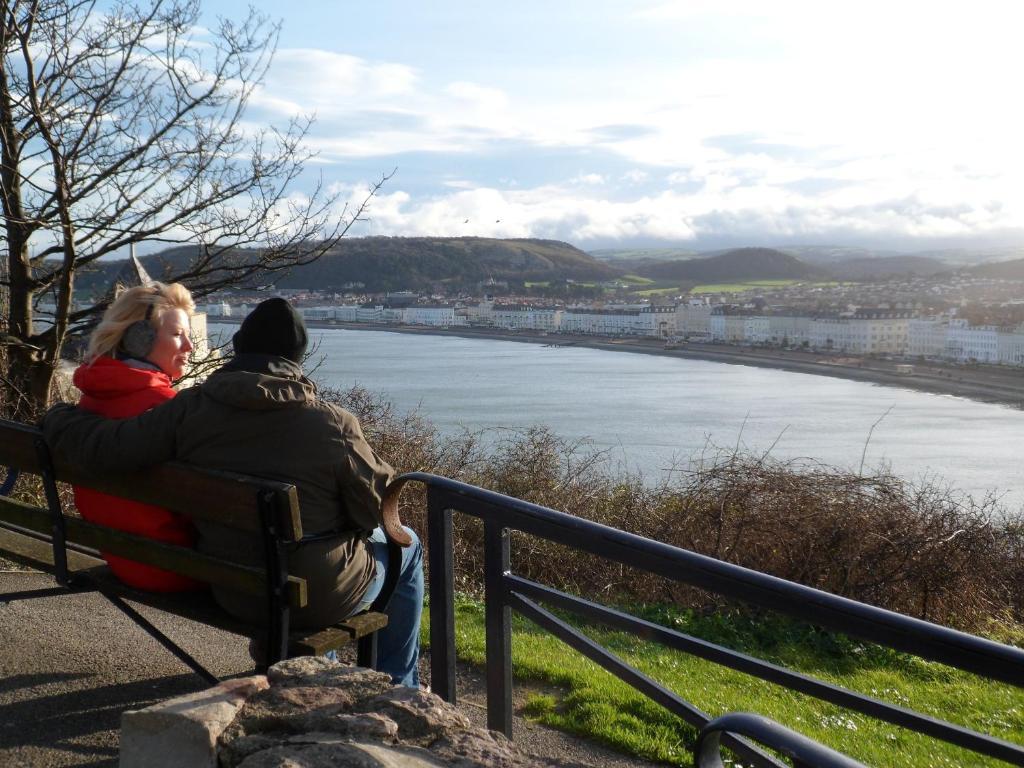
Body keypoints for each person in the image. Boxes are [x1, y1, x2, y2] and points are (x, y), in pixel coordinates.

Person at [44, 298, 423, 687]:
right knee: (408, 545)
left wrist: (58, 415)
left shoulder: (189, 409)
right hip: (312, 599)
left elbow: (107, 447)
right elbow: (378, 513)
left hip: (233, 588)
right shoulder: (332, 423)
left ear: (239, 347)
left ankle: (315, 675)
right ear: (297, 358)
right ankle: (400, 685)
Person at [72, 282, 200, 592]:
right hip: (179, 568)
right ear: (139, 338)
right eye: (177, 334)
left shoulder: (88, 403)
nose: (189, 347)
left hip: (123, 559)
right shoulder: (168, 411)